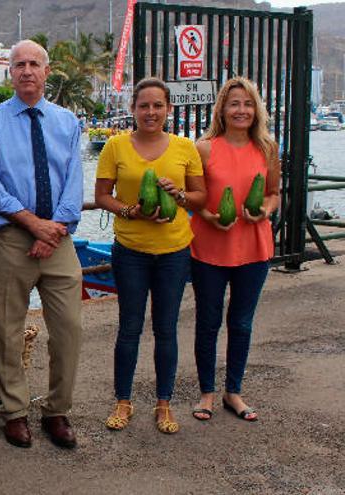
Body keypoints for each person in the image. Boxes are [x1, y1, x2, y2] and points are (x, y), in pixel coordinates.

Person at [0, 40, 84, 450]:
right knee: (7, 328)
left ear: (46, 71)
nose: (26, 71)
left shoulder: (66, 122)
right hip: (9, 238)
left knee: (69, 328)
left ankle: (57, 409)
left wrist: (52, 228)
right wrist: (33, 225)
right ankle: (14, 411)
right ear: (10, 72)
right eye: (19, 64)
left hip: (58, 239)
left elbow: (74, 183)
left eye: (34, 63)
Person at [94, 77, 207, 434]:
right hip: (130, 251)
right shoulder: (115, 146)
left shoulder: (185, 147)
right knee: (129, 328)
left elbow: (201, 196)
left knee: (166, 330)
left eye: (158, 105)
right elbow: (102, 197)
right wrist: (130, 211)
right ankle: (123, 401)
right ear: (133, 110)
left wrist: (181, 196)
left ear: (168, 109)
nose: (151, 112)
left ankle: (164, 404)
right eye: (144, 105)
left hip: (174, 251)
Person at [189, 77, 280, 422]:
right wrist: (210, 216)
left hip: (254, 247)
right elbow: (192, 198)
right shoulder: (204, 148)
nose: (241, 110)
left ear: (256, 109)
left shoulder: (267, 149)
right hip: (209, 247)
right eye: (234, 104)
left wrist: (266, 210)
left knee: (241, 323)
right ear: (222, 110)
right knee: (208, 322)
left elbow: (273, 193)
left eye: (247, 104)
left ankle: (234, 392)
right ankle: (207, 393)